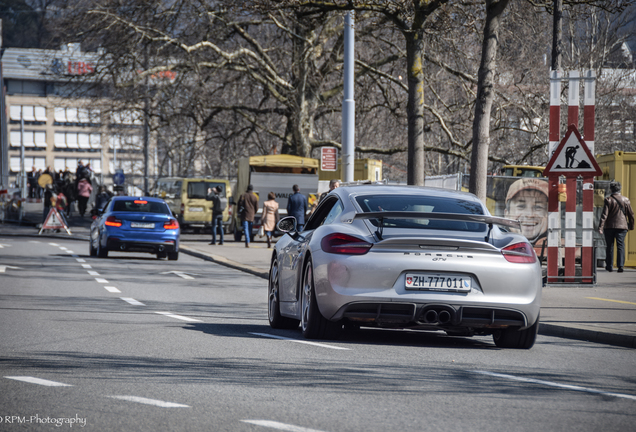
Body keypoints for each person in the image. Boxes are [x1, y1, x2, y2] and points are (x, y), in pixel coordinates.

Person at [598, 182, 635, 273]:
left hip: (609, 227)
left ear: (611, 189)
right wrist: (631, 226)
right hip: (622, 227)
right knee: (620, 246)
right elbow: (631, 215)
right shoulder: (626, 200)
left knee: (609, 246)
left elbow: (604, 215)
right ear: (620, 189)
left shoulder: (608, 200)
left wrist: (600, 227)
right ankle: (620, 266)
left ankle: (610, 266)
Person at [504, 178, 549, 244]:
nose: (529, 215)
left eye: (538, 207)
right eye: (521, 206)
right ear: (506, 214)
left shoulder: (559, 248)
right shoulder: (495, 245)